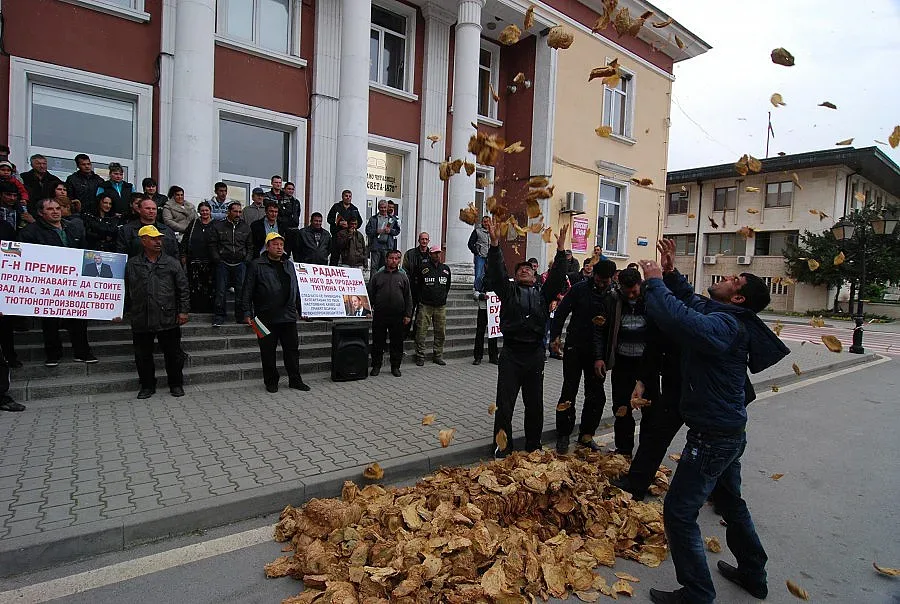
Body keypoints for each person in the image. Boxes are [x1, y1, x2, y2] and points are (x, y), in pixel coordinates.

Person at [638, 253, 789, 604]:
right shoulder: (723, 313)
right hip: (729, 433)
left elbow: (680, 320)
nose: (725, 277)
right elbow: (691, 303)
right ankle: (753, 573)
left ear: (737, 298)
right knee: (730, 501)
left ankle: (697, 593)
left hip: (712, 438)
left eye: (734, 279)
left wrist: (656, 281)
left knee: (678, 511)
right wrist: (673, 276)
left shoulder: (726, 325)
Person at [488, 220, 567, 457]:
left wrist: (561, 251)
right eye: (520, 268)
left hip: (534, 356)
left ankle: (533, 444)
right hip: (511, 355)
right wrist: (494, 245)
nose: (524, 270)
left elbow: (557, 277)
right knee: (505, 404)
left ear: (535, 276)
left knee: (534, 405)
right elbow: (497, 272)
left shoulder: (543, 295)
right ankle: (503, 446)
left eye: (529, 269)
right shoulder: (508, 292)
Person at [549, 258, 617, 454]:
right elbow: (561, 313)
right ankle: (563, 435)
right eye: (600, 279)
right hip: (575, 347)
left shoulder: (613, 294)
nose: (602, 284)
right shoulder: (579, 289)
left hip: (598, 354)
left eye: (606, 281)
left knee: (596, 396)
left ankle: (586, 435)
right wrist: (555, 337)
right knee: (569, 391)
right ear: (593, 274)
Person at [20, 198, 97, 366]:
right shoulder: (31, 232)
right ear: (41, 212)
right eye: (50, 209)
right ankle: (53, 354)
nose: (55, 211)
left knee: (78, 317)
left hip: (74, 281)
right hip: (47, 283)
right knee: (50, 319)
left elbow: (85, 251)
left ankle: (82, 351)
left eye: (57, 208)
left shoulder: (73, 228)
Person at [125, 225, 190, 399]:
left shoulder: (171, 263)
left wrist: (183, 311)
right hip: (141, 316)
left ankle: (176, 384)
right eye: (153, 238)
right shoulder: (132, 264)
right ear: (143, 240)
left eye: (159, 238)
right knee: (142, 356)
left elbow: (183, 288)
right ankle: (147, 386)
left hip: (167, 316)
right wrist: (120, 311)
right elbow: (124, 289)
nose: (158, 241)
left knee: (173, 355)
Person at [241, 232, 310, 393]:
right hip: (263, 318)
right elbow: (247, 290)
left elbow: (296, 289)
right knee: (267, 352)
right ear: (267, 247)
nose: (279, 248)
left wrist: (302, 309)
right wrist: (246, 312)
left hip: (288, 316)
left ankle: (295, 380)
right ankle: (271, 381)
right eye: (275, 245)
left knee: (292, 351)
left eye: (281, 245)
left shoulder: (289, 264)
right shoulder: (256, 265)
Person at [602, 267, 648, 457]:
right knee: (621, 406)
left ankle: (647, 453)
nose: (630, 295)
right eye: (626, 291)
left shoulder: (650, 300)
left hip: (645, 365)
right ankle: (624, 449)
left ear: (640, 285)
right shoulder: (614, 299)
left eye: (634, 291)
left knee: (648, 407)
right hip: (622, 362)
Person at [209, 202, 253, 327]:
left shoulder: (246, 227)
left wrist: (247, 259)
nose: (238, 214)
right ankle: (219, 316)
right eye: (235, 211)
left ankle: (240, 316)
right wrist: (217, 259)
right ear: (229, 212)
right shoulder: (219, 226)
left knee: (241, 291)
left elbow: (250, 246)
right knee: (221, 290)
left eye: (240, 212)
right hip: (223, 263)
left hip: (240, 263)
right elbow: (212, 245)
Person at [369, 249, 412, 377]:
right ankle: (376, 366)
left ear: (399, 260)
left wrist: (408, 315)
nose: (393, 261)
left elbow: (408, 297)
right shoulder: (377, 276)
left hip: (397, 315)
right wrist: (368, 309)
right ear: (386, 259)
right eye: (391, 258)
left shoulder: (403, 277)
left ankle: (395, 367)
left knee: (397, 342)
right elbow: (370, 293)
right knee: (378, 342)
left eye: (396, 258)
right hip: (380, 314)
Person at [414, 247, 451, 366]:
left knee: (441, 332)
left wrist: (443, 297)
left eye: (439, 253)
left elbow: (447, 286)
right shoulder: (423, 268)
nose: (437, 255)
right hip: (426, 305)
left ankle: (438, 355)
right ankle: (420, 355)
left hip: (440, 306)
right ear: (430, 254)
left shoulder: (446, 269)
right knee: (421, 331)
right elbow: (418, 285)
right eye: (435, 253)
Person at [180, 201, 216, 313]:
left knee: (209, 285)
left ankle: (208, 308)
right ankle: (195, 308)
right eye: (202, 210)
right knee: (194, 285)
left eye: (207, 210)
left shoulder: (216, 224)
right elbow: (185, 239)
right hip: (194, 260)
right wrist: (183, 254)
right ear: (199, 212)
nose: (204, 212)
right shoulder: (194, 223)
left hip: (211, 260)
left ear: (210, 211)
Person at [402, 231, 431, 338]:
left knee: (421, 314)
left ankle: (415, 334)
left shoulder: (431, 255)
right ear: (418, 240)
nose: (424, 241)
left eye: (426, 239)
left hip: (424, 289)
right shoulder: (410, 254)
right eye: (422, 239)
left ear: (428, 241)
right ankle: (404, 333)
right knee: (408, 311)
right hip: (411, 287)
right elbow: (405, 270)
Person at [326, 189, 362, 263]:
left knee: (347, 258)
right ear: (342, 197)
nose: (348, 198)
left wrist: (349, 225)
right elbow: (329, 219)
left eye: (350, 196)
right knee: (334, 257)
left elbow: (360, 222)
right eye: (346, 196)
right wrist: (338, 223)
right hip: (337, 235)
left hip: (349, 236)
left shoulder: (354, 209)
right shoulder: (336, 207)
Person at [365, 200, 400, 272]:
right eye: (381, 207)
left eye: (385, 207)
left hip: (387, 247)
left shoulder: (392, 219)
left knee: (386, 266)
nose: (383, 209)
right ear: (378, 208)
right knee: (374, 267)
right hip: (376, 246)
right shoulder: (373, 219)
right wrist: (376, 231)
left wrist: (390, 231)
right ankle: (374, 282)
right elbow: (368, 231)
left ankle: (384, 282)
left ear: (387, 207)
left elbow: (397, 231)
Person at [473, 283, 498, 366]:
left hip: (494, 308)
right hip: (483, 308)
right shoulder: (481, 278)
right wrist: (481, 296)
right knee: (480, 333)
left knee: (493, 333)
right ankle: (478, 357)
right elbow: (475, 292)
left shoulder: (497, 277)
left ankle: (493, 356)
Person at [467, 216, 490, 292]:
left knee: (490, 274)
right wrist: (476, 252)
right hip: (480, 256)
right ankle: (477, 290)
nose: (486, 223)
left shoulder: (493, 231)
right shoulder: (477, 231)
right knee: (479, 275)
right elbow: (470, 243)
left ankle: (487, 290)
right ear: (482, 223)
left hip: (491, 257)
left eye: (488, 221)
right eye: (485, 221)